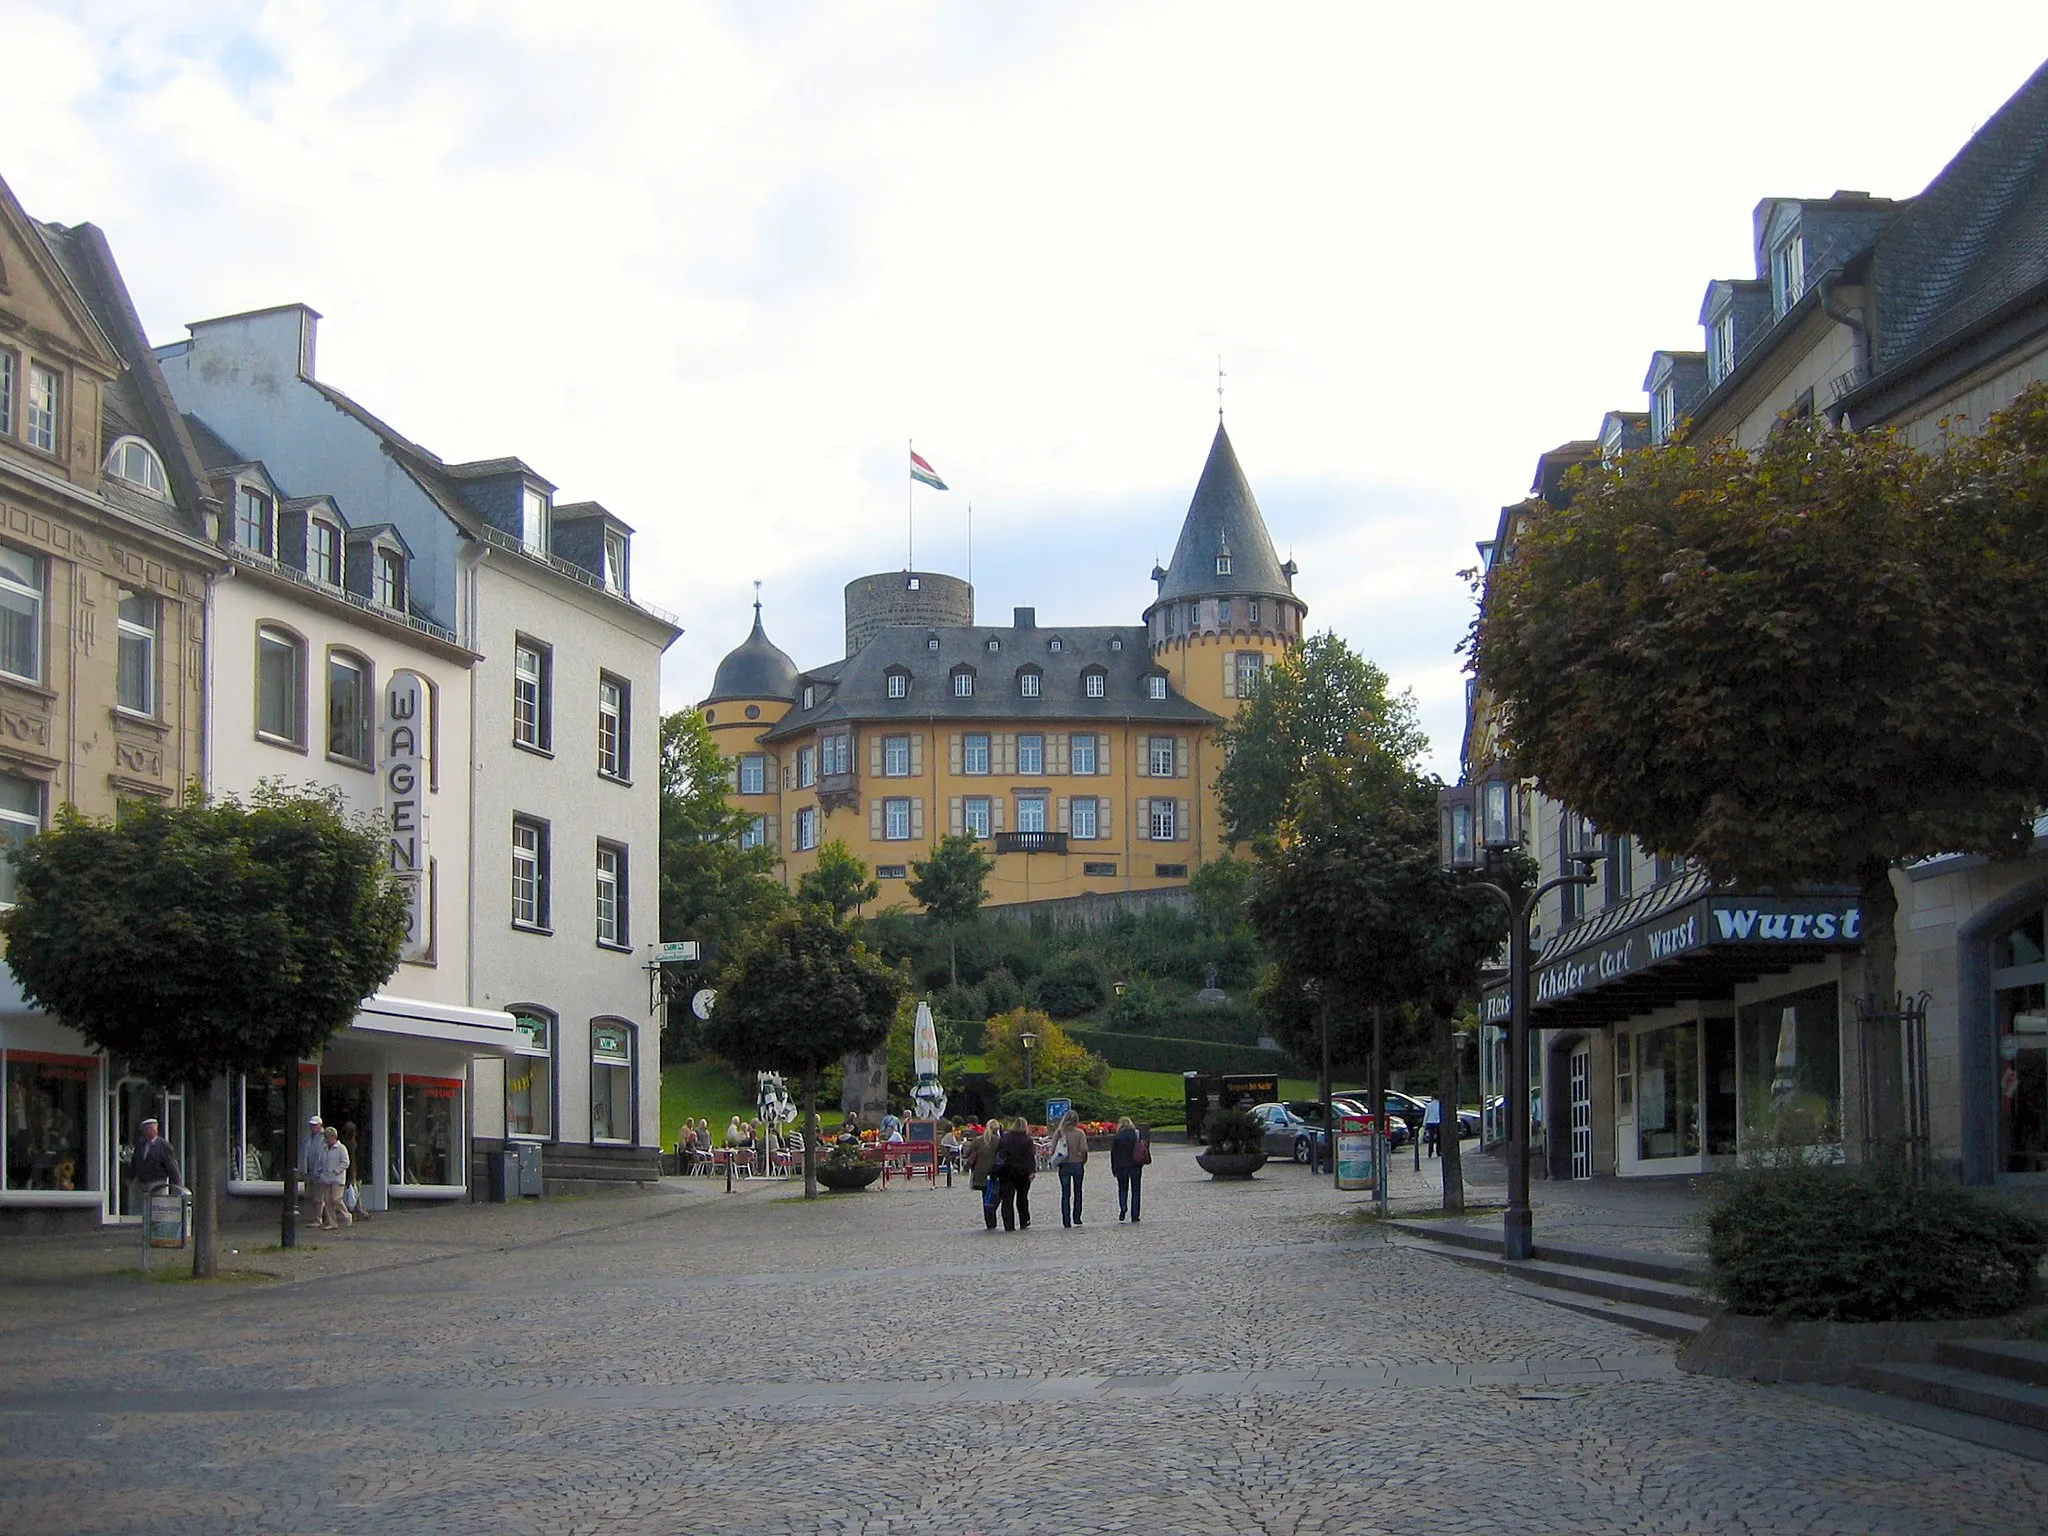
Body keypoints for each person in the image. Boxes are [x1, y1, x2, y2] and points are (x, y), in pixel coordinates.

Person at [995, 1115, 1036, 1231]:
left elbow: (999, 1154)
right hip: (1023, 1172)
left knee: (1007, 1199)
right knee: (1022, 1198)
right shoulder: (1027, 1140)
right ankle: (1024, 1220)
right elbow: (1030, 1157)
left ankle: (1009, 1224)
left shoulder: (1005, 1138)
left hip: (1006, 1171)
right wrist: (1032, 1171)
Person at [311, 1124, 351, 1230]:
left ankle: (347, 1215)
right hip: (326, 1178)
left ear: (333, 1137)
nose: (326, 1140)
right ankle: (332, 1222)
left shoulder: (341, 1148)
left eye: (327, 1137)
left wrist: (336, 1170)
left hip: (337, 1179)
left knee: (336, 1199)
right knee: (328, 1201)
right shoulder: (324, 1149)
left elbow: (345, 1162)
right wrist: (320, 1172)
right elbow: (320, 1161)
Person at [1053, 1109, 1089, 1227]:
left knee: (1065, 1193)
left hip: (1064, 1164)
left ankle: (1066, 1220)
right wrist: (1083, 1159)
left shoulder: (1059, 1132)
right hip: (1077, 1163)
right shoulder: (1080, 1133)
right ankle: (1077, 1217)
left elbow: (1052, 1149)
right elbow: (1083, 1149)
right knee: (1078, 1191)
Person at [1109, 1115, 1147, 1223]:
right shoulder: (1136, 1134)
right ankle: (1135, 1215)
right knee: (1136, 1190)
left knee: (1122, 1188)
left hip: (1121, 1166)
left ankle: (1123, 1206)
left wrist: (1114, 1168)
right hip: (1135, 1165)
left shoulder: (1117, 1137)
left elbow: (1113, 1154)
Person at [133, 1116, 181, 1195]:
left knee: (157, 1204)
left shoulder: (163, 1145)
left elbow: (171, 1164)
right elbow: (135, 1162)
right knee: (144, 1205)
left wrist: (177, 1182)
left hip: (158, 1183)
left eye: (151, 1128)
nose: (149, 1131)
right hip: (143, 1183)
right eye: (147, 1129)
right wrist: (130, 1177)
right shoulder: (141, 1145)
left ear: (156, 1129)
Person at [967, 1122, 1002, 1231]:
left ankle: (990, 1223)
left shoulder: (977, 1141)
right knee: (996, 1196)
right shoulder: (999, 1141)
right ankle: (991, 1218)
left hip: (980, 1173)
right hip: (995, 1173)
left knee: (985, 1197)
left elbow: (967, 1153)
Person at [339, 1121, 371, 1221]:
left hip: (352, 1172)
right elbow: (352, 1160)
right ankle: (358, 1211)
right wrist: (352, 1175)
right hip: (352, 1172)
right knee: (353, 1193)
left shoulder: (348, 1143)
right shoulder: (350, 1144)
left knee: (354, 1193)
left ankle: (359, 1211)